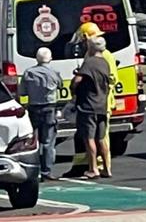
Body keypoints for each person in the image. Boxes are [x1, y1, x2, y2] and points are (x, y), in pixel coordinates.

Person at [62, 22, 118, 178]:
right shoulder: (97, 55)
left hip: (96, 103)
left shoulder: (99, 56)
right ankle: (85, 166)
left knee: (96, 137)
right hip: (100, 102)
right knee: (91, 136)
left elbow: (111, 79)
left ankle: (98, 167)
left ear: (87, 38)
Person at [19, 47, 63, 181]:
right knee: (48, 141)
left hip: (33, 108)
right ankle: (46, 170)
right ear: (49, 58)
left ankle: (34, 169)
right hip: (49, 108)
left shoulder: (29, 72)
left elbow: (23, 92)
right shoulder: (54, 72)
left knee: (33, 140)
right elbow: (60, 86)